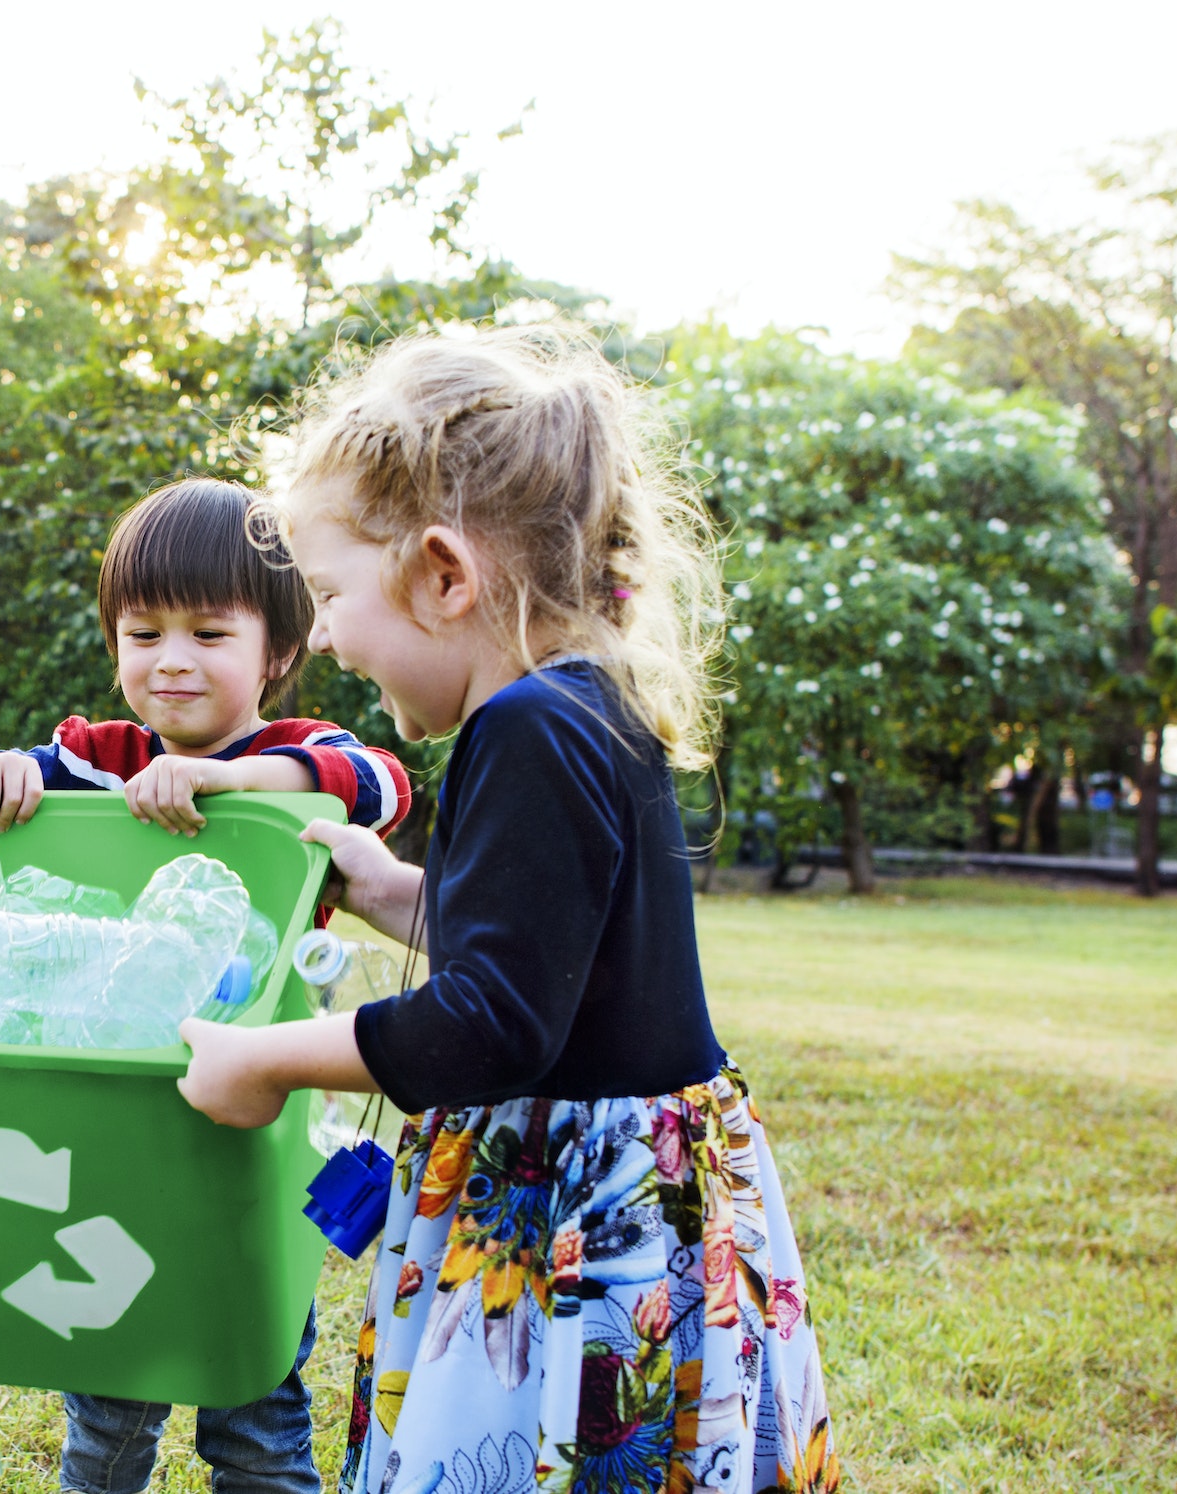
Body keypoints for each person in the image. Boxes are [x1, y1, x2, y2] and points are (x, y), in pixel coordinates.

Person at [175, 330, 840, 1493]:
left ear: (442, 575)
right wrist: (386, 889)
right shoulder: (586, 703)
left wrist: (266, 1060)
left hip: (578, 1215)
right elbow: (546, 955)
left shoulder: (523, 727)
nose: (321, 634)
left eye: (329, 595)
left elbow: (491, 1023)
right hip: (647, 1186)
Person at [0, 477, 413, 1494]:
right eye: (141, 633)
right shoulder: (99, 761)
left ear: (276, 651)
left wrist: (224, 779)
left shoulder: (291, 757)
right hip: (107, 1129)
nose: (170, 660)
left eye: (206, 632)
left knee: (257, 1412)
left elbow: (371, 781)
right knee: (106, 1399)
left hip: (249, 1137)